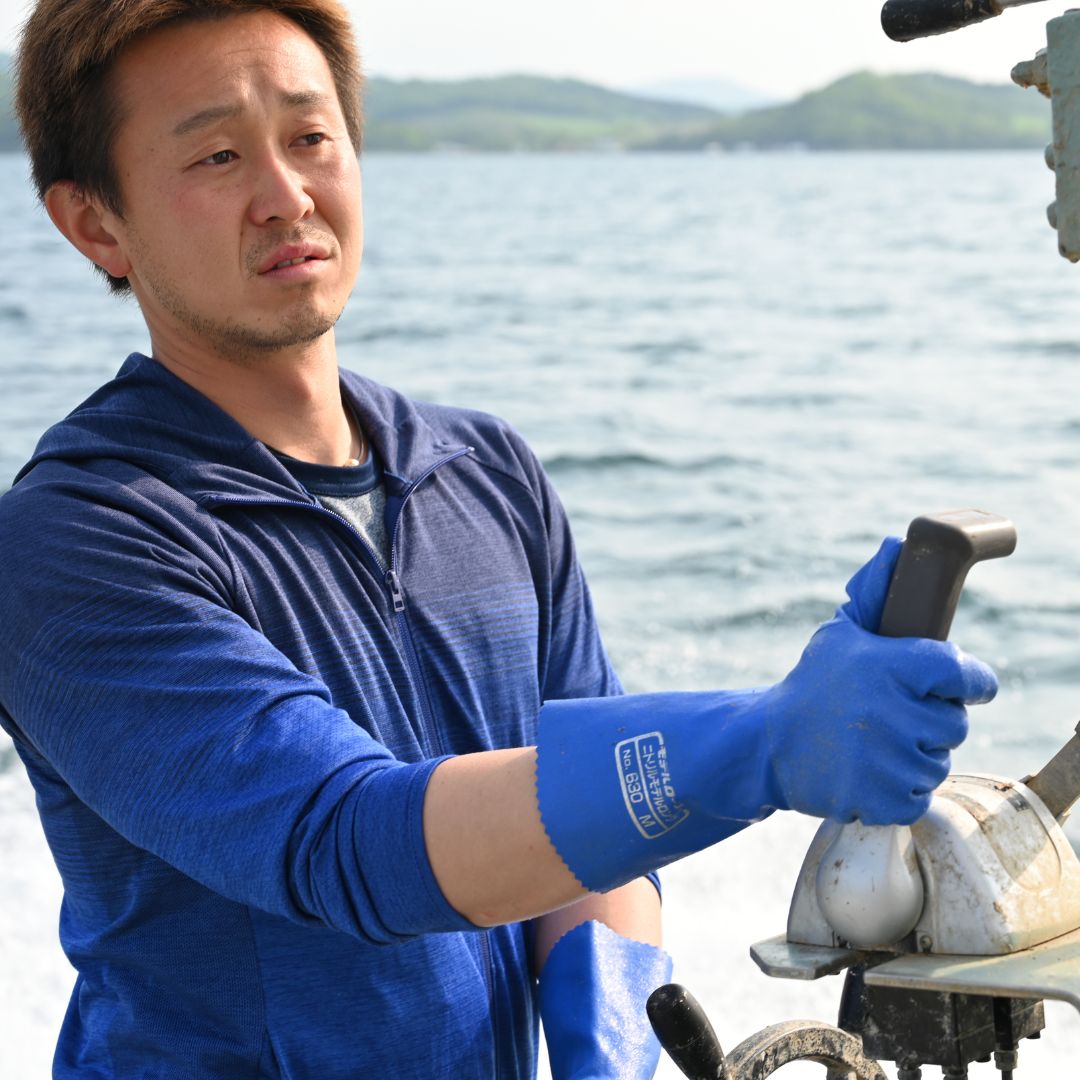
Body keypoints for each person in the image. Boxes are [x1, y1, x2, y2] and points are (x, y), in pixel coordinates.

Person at [0, 1, 998, 1077]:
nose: (286, 195)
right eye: (217, 155)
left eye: (310, 136)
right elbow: (349, 841)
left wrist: (601, 1014)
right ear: (95, 222)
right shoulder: (77, 540)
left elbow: (590, 827)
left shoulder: (483, 471)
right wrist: (758, 743)